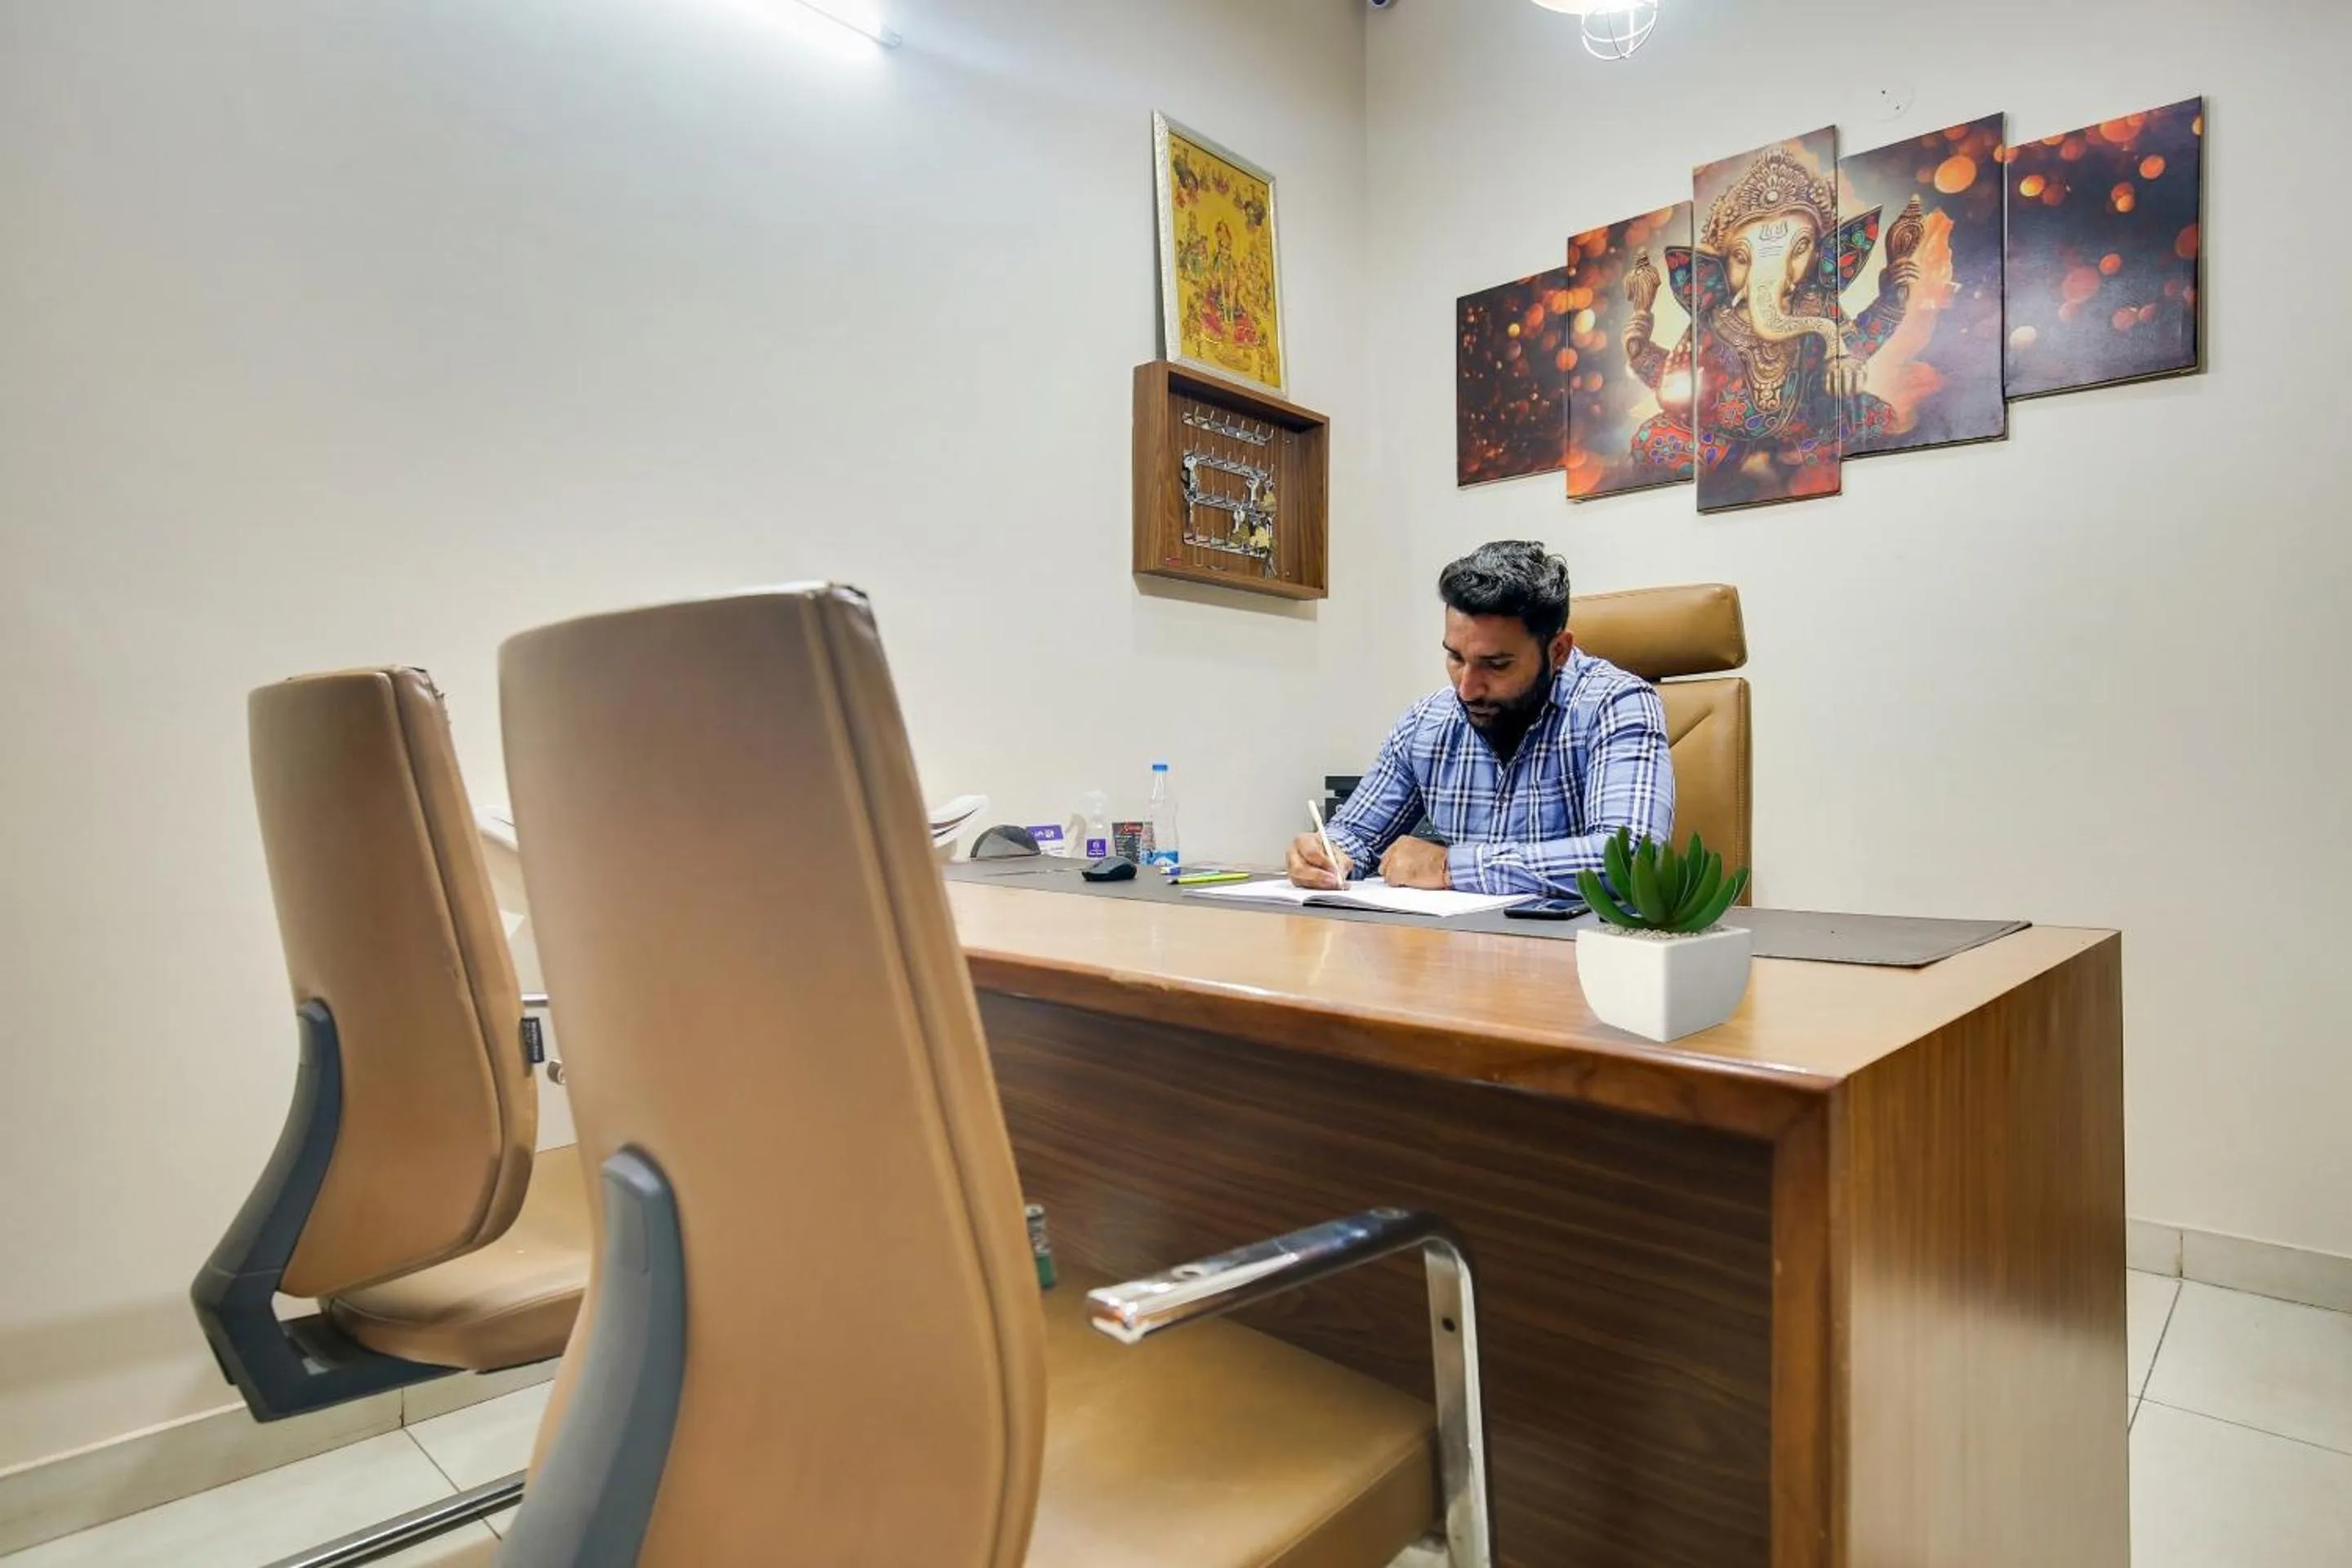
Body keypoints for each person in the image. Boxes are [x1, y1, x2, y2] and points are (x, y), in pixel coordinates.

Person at [1289, 541, 1674, 896]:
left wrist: (1450, 867)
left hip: (1578, 957)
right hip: (1455, 954)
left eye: (1497, 664)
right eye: (1456, 658)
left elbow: (1633, 859)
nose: (1466, 690)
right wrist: (1326, 854)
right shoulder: (1427, 721)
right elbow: (1356, 833)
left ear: (1558, 652)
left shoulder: (1617, 704)